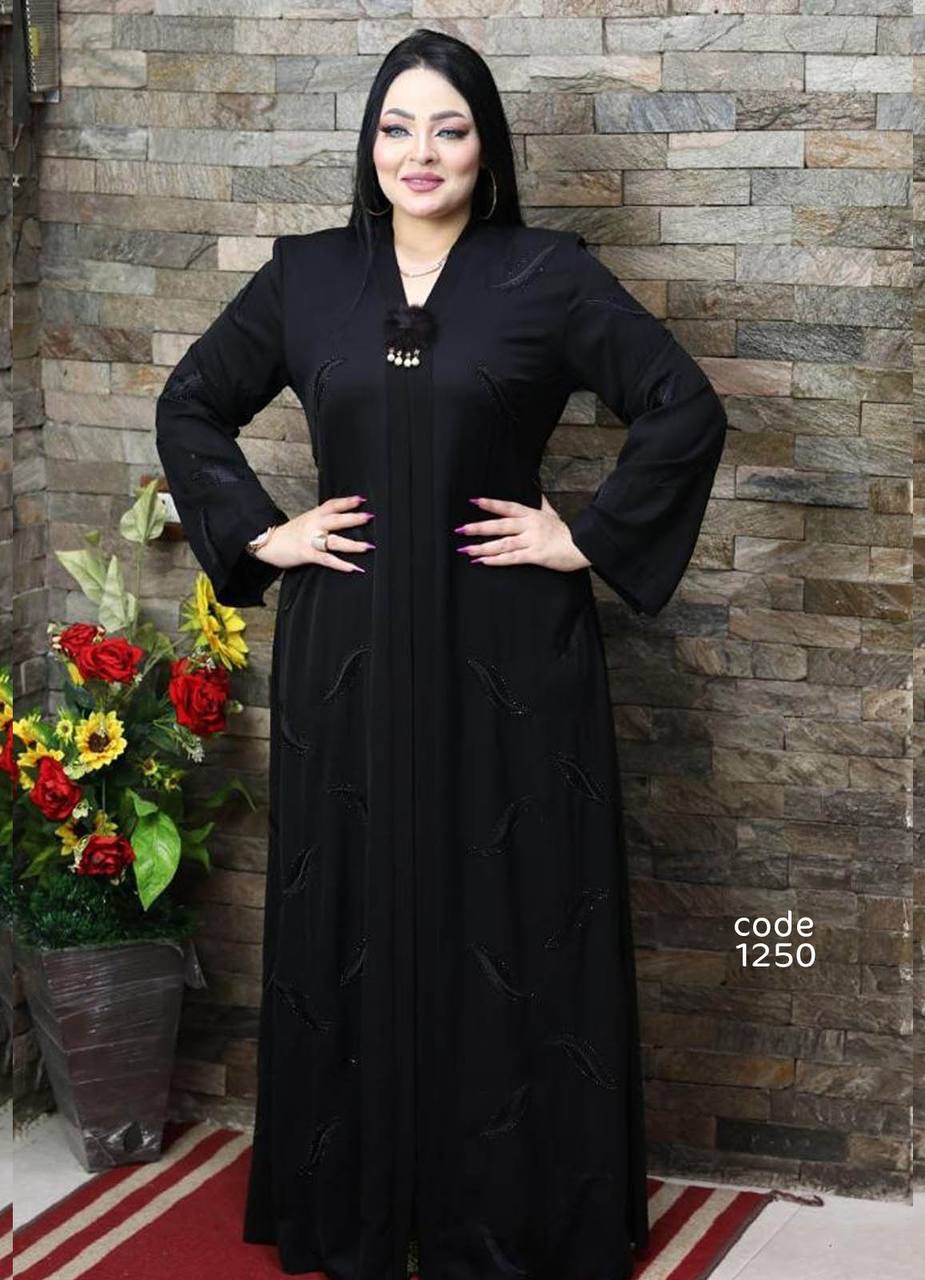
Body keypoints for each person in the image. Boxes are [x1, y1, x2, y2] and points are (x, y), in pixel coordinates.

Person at [154, 27, 727, 1280]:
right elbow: (189, 402)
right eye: (398, 126)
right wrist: (260, 529)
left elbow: (682, 403)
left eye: (450, 128)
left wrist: (585, 534)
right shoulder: (307, 276)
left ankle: (511, 1214)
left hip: (508, 654)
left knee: (509, 908)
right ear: (370, 142)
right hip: (348, 652)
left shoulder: (547, 274)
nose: (421, 152)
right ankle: (355, 1207)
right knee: (355, 901)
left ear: (487, 147)